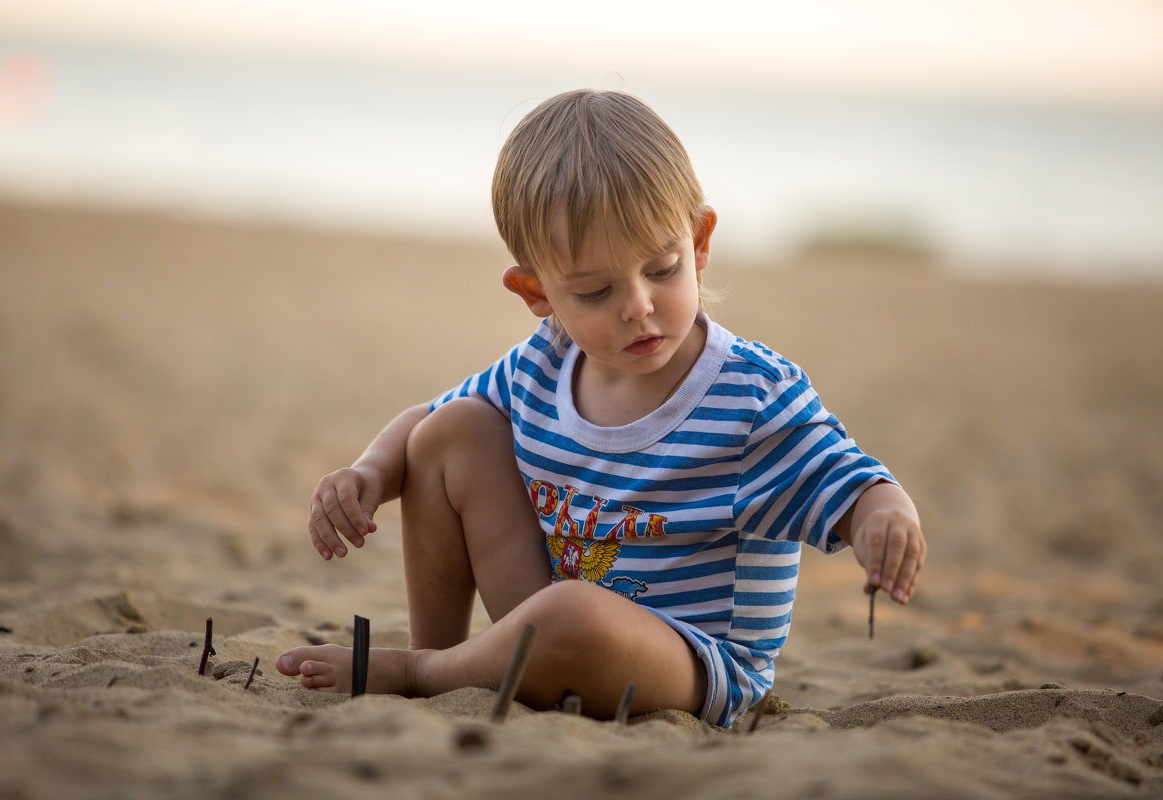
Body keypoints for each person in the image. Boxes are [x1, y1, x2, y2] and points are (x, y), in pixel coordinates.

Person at [276, 89, 926, 728]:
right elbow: (426, 423)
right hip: (551, 626)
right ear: (537, 292)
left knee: (575, 616)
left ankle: (423, 675)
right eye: (594, 290)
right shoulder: (546, 362)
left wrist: (884, 513)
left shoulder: (748, 396)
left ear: (699, 243)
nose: (638, 305)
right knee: (451, 432)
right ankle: (447, 657)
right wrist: (368, 473)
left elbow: (845, 475)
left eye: (664, 269)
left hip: (690, 666)